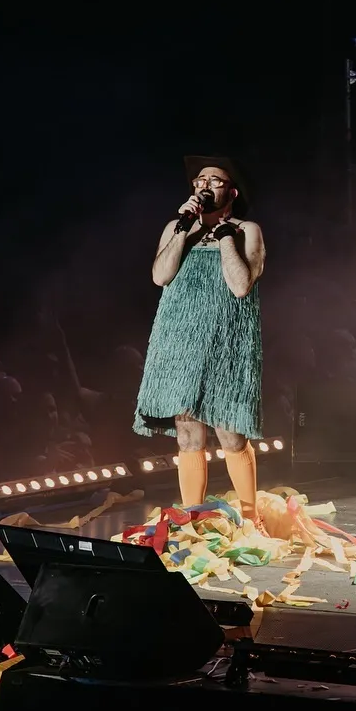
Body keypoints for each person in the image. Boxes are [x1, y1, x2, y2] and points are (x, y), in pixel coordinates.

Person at [134, 156, 266, 526]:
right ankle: (192, 516)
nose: (204, 185)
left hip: (227, 341)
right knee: (188, 430)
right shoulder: (177, 228)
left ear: (232, 191)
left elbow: (241, 285)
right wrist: (183, 228)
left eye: (215, 180)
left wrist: (224, 234)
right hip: (178, 338)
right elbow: (161, 276)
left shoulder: (246, 230)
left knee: (230, 432)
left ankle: (250, 517)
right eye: (199, 180)